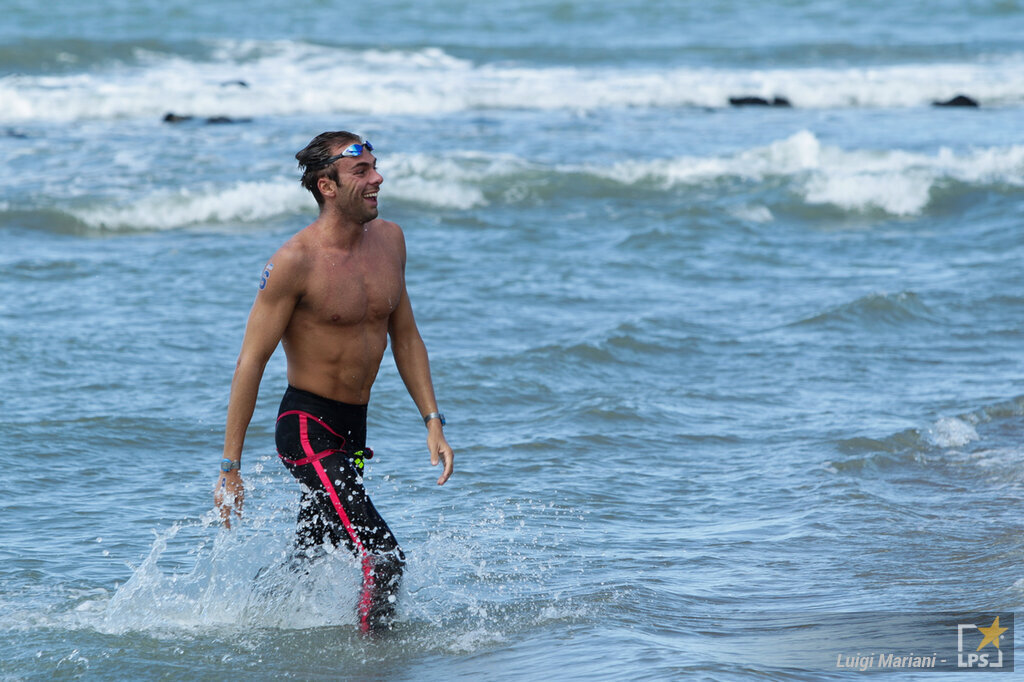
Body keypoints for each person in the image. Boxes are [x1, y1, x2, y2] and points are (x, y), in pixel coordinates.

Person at [213, 131, 454, 633]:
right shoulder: (294, 262)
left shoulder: (391, 240)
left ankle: (248, 625)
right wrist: (230, 468)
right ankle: (376, 661)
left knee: (314, 549)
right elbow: (250, 362)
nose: (378, 178)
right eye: (361, 171)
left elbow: (406, 335)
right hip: (307, 430)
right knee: (383, 558)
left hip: (353, 430)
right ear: (327, 186)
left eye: (375, 167)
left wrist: (432, 419)